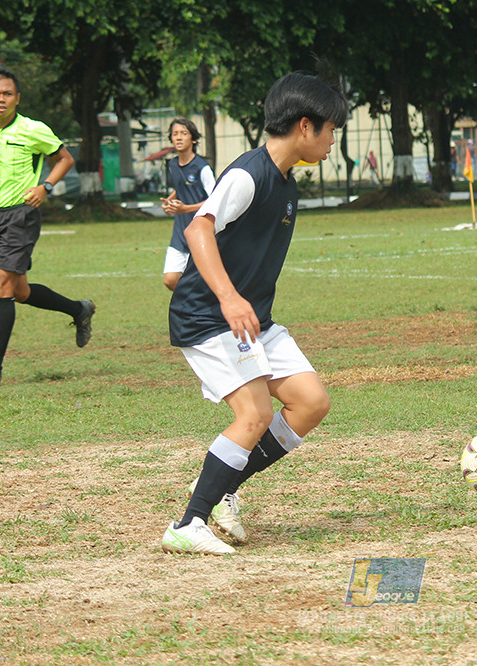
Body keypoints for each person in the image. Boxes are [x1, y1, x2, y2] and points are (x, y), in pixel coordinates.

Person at [160, 72, 347, 555]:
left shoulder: (283, 184)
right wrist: (228, 296)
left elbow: (218, 208)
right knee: (255, 413)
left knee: (310, 403)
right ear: (305, 126)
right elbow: (201, 230)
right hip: (209, 316)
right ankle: (189, 523)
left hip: (252, 321)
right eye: (330, 130)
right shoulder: (250, 171)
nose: (332, 141)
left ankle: (225, 491)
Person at [0, 67, 95, 386]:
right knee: (19, 291)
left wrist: (45, 186)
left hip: (23, 214)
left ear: (17, 98)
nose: (1, 99)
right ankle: (79, 309)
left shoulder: (32, 129)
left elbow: (65, 159)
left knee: (1, 285)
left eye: (7, 94)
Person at [160, 118, 216, 290]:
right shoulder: (172, 164)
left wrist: (185, 209)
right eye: (175, 134)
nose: (178, 137)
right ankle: (197, 304)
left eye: (184, 134)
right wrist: (170, 201)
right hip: (180, 231)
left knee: (206, 279)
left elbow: (215, 200)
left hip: (202, 230)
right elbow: (181, 187)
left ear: (194, 139)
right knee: (170, 280)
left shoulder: (202, 167)